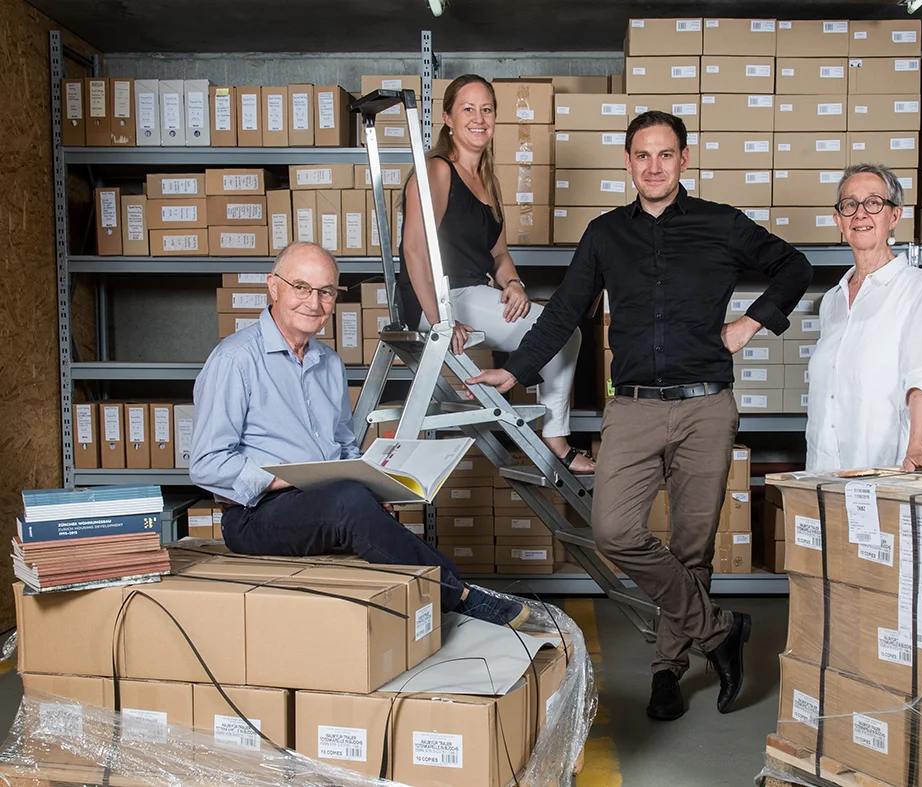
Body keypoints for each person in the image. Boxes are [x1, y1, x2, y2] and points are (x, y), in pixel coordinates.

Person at [469, 111, 814, 720]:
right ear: (628, 163)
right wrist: (515, 370)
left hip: (706, 405)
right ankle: (719, 631)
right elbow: (565, 310)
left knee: (692, 546)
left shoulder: (720, 224)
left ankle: (667, 669)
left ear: (684, 159)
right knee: (614, 531)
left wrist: (749, 324)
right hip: (631, 406)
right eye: (642, 156)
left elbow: (796, 266)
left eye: (665, 154)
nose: (653, 166)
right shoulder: (605, 235)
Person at [189, 241, 529, 628]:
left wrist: (375, 485)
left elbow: (343, 445)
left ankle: (451, 586)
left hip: (320, 501)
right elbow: (205, 464)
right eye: (301, 287)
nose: (313, 303)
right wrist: (284, 477)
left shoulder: (328, 363)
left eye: (326, 292)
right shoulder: (235, 360)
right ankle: (461, 595)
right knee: (347, 500)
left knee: (358, 497)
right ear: (273, 286)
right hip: (254, 517)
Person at [398, 73, 592, 473]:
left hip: (473, 294)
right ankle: (555, 436)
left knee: (565, 332)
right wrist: (440, 321)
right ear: (448, 117)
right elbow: (414, 249)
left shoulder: (488, 180)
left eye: (486, 109)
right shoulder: (436, 171)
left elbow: (499, 253)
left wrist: (514, 283)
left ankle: (552, 430)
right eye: (468, 108)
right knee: (560, 332)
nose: (479, 117)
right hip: (437, 300)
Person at [805, 163, 922, 474]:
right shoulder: (832, 301)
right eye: (850, 205)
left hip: (883, 472)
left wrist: (917, 448)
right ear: (838, 220)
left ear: (894, 216)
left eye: (873, 203)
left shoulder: (919, 287)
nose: (860, 214)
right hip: (822, 473)